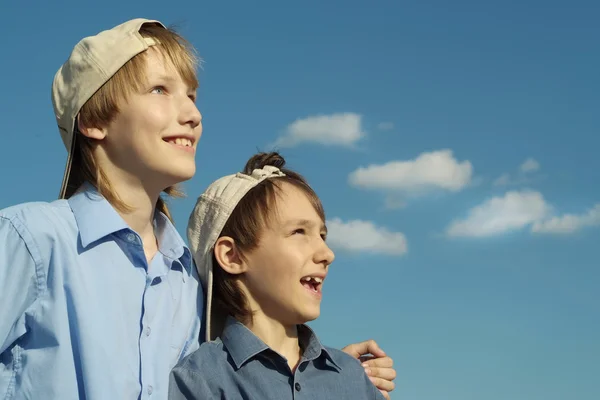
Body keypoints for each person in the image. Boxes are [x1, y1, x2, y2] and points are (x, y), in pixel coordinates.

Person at [0, 18, 395, 400]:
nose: (193, 114)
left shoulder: (190, 279)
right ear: (93, 120)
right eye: (159, 89)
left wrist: (326, 378)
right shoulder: (31, 238)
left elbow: (244, 369)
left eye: (191, 95)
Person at [169, 152, 387, 399]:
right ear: (232, 256)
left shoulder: (353, 378)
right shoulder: (201, 379)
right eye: (298, 232)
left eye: (322, 236)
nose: (327, 253)